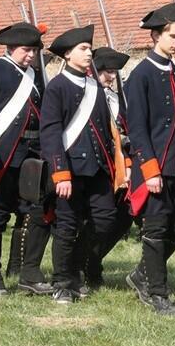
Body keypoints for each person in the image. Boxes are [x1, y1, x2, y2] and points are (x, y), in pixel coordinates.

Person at [125, 3, 175, 316]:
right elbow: (137, 128)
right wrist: (150, 169)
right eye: (172, 36)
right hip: (156, 166)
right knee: (157, 229)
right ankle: (157, 293)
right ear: (155, 36)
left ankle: (141, 274)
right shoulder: (141, 75)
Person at [0, 22, 53, 296]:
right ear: (11, 47)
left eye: (34, 50)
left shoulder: (35, 76)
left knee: (31, 215)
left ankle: (24, 272)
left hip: (32, 156)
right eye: (27, 50)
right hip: (3, 156)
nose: (31, 55)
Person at [40, 24, 118, 304]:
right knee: (66, 226)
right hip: (70, 169)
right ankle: (62, 282)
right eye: (83, 49)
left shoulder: (95, 87)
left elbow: (104, 129)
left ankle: (75, 268)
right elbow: (50, 132)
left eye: (89, 49)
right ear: (67, 54)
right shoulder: (57, 87)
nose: (89, 53)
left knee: (105, 219)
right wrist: (60, 172)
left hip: (97, 168)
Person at [81, 46, 132, 288]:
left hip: (117, 166)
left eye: (113, 72)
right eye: (106, 71)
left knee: (120, 219)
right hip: (92, 165)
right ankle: (82, 265)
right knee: (90, 219)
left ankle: (93, 260)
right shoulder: (84, 94)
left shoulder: (116, 98)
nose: (111, 77)